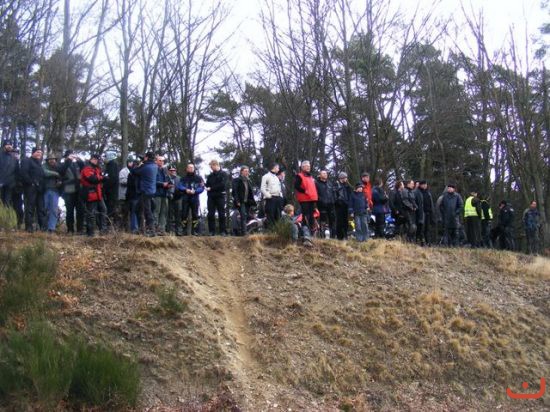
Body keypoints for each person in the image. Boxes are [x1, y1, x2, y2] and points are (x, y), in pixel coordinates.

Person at [131, 151, 158, 237]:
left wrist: (139, 164)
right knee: (138, 209)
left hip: (145, 191)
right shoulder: (154, 166)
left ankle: (151, 230)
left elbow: (134, 171)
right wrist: (143, 162)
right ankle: (141, 229)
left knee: (147, 211)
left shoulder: (145, 167)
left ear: (147, 157)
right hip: (151, 191)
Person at [80, 154, 107, 237]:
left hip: (98, 194)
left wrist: (101, 178)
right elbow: (92, 179)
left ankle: (103, 230)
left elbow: (99, 179)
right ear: (91, 159)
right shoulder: (86, 169)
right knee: (91, 213)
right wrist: (102, 178)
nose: (95, 161)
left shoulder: (97, 169)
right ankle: (90, 232)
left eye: (97, 159)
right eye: (94, 159)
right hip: (90, 194)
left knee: (103, 210)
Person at [20, 147, 46, 232]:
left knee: (41, 208)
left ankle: (42, 228)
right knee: (30, 207)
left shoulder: (39, 163)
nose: (39, 154)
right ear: (33, 152)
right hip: (30, 188)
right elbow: (24, 173)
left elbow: (42, 175)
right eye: (38, 152)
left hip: (40, 189)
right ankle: (29, 227)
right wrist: (31, 182)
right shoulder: (26, 161)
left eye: (41, 153)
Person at [60, 150, 84, 234]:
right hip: (68, 191)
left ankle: (80, 229)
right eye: (70, 155)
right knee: (69, 211)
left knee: (80, 211)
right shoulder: (63, 164)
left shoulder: (76, 164)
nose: (72, 157)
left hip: (79, 190)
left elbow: (83, 168)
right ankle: (70, 229)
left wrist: (79, 159)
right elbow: (62, 172)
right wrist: (68, 160)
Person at [178, 162, 204, 235]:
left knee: (195, 214)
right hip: (185, 197)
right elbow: (180, 186)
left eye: (192, 168)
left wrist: (195, 191)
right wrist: (185, 190)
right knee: (184, 214)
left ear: (194, 169)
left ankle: (195, 231)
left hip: (194, 198)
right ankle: (184, 230)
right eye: (189, 167)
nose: (191, 169)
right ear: (187, 169)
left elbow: (202, 187)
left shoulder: (199, 178)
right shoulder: (183, 178)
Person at [205, 159, 228, 236]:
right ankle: (211, 231)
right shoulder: (210, 176)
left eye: (211, 167)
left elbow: (222, 185)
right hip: (211, 197)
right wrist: (204, 185)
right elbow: (207, 185)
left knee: (221, 213)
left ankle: (223, 231)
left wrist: (211, 188)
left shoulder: (223, 174)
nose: (211, 168)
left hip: (220, 196)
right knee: (210, 214)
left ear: (215, 165)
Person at [232, 165, 256, 236]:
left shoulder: (248, 181)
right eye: (245, 171)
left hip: (247, 202)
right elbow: (235, 192)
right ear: (241, 172)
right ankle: (244, 233)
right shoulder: (237, 180)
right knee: (243, 216)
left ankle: (245, 231)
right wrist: (237, 201)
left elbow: (250, 192)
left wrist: (252, 202)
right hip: (241, 202)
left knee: (247, 216)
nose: (247, 172)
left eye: (248, 171)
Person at [294, 160, 318, 231]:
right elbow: (296, 186)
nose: (308, 168)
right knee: (306, 215)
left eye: (309, 166)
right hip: (304, 199)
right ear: (302, 167)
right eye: (306, 166)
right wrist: (304, 191)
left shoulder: (310, 177)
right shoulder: (299, 176)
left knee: (311, 215)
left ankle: (311, 229)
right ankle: (305, 229)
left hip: (312, 198)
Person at [43, 153, 63, 233]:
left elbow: (62, 176)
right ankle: (43, 226)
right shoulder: (44, 166)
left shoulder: (58, 167)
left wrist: (60, 182)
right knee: (44, 209)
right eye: (50, 159)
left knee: (54, 210)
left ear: (55, 160)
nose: (52, 161)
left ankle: (51, 228)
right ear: (47, 160)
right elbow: (44, 173)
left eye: (53, 159)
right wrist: (56, 174)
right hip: (45, 190)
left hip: (55, 191)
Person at [261, 163, 282, 230]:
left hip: (278, 198)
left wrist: (280, 196)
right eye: (278, 168)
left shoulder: (276, 178)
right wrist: (269, 196)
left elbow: (279, 188)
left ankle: (277, 231)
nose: (278, 169)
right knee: (270, 215)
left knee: (278, 215)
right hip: (270, 198)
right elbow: (262, 188)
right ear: (274, 167)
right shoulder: (265, 176)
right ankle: (271, 231)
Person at [315, 170, 336, 238]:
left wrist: (333, 200)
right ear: (320, 175)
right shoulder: (317, 183)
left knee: (332, 221)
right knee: (323, 221)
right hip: (322, 205)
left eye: (326, 173)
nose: (325, 174)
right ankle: (322, 236)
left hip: (330, 205)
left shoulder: (329, 183)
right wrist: (320, 200)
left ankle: (333, 236)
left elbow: (333, 192)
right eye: (323, 173)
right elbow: (316, 194)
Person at [153, 155, 170, 235]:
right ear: (156, 161)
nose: (162, 162)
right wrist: (162, 184)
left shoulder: (164, 170)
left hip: (164, 194)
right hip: (157, 193)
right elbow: (153, 181)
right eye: (160, 160)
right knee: (156, 211)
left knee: (164, 212)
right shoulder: (154, 169)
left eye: (163, 161)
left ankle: (161, 229)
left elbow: (168, 180)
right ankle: (154, 228)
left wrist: (169, 184)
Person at [102, 152, 120, 226]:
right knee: (110, 207)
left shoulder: (112, 164)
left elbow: (112, 178)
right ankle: (110, 223)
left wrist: (104, 186)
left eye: (105, 156)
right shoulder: (110, 165)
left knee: (110, 208)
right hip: (110, 191)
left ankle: (110, 224)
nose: (104, 158)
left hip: (111, 192)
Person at [333, 172, 352, 240]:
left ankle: (345, 235)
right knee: (339, 221)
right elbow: (334, 194)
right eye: (345, 177)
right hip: (339, 205)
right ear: (342, 178)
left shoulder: (347, 185)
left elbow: (349, 194)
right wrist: (338, 202)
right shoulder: (336, 184)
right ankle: (340, 236)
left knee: (345, 221)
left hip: (346, 205)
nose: (346, 179)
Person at [167, 164, 183, 236]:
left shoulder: (179, 178)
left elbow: (182, 188)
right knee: (169, 215)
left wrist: (180, 193)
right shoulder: (166, 178)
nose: (172, 172)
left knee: (178, 215)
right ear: (168, 171)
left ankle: (178, 230)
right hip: (168, 199)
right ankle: (169, 230)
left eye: (173, 170)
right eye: (171, 170)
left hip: (178, 198)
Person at [118, 157, 134, 231]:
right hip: (123, 194)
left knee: (129, 212)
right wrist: (130, 181)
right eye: (129, 162)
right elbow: (121, 181)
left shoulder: (133, 170)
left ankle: (128, 228)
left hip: (130, 195)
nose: (131, 163)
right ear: (127, 163)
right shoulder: (123, 171)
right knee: (123, 212)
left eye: (132, 162)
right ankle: (122, 228)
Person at [0, 140, 18, 207]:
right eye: (7, 145)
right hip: (1, 182)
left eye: (10, 145)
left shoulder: (14, 159)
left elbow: (16, 171)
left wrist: (14, 182)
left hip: (10, 184)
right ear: (4, 146)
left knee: (7, 203)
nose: (9, 146)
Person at [417, 181, 435, 246]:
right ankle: (421, 242)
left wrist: (432, 212)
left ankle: (428, 242)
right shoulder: (418, 192)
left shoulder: (428, 193)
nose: (425, 186)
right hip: (421, 212)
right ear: (420, 185)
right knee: (421, 228)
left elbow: (431, 203)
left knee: (427, 229)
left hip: (428, 212)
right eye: (423, 184)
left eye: (425, 184)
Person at [10, 149, 23, 227]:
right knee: (9, 205)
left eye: (17, 154)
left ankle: (18, 222)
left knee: (18, 206)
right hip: (9, 188)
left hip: (18, 190)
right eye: (13, 153)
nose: (15, 155)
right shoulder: (7, 164)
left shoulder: (21, 164)